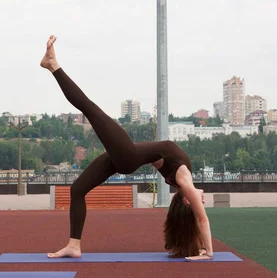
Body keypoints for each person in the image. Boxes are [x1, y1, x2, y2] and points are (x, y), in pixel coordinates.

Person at [39, 35, 213, 261]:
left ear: (188, 200)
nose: (204, 199)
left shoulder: (185, 181)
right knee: (77, 189)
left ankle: (53, 65)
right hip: (126, 155)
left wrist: (208, 252)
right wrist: (198, 245)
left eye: (200, 201)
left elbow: (201, 219)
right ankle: (74, 245)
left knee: (90, 109)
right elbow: (195, 218)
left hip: (128, 155)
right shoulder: (183, 183)